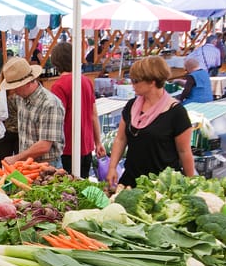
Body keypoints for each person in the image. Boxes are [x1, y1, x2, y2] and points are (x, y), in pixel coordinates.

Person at [106, 56, 195, 189]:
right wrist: (112, 167)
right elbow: (120, 139)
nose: (132, 84)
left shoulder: (176, 113)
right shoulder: (131, 106)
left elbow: (184, 152)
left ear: (152, 82)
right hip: (131, 181)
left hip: (162, 186)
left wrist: (191, 183)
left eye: (136, 81)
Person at [47, 42, 105, 178]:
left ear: (55, 62)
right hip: (86, 144)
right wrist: (98, 142)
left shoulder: (58, 86)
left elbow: (58, 120)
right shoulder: (86, 81)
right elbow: (93, 114)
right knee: (83, 184)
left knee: (69, 190)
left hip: (68, 147)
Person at [0, 58, 64, 167]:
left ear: (27, 83)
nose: (13, 90)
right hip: (26, 163)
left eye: (15, 87)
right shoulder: (21, 97)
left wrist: (16, 158)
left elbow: (44, 145)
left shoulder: (50, 104)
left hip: (46, 165)